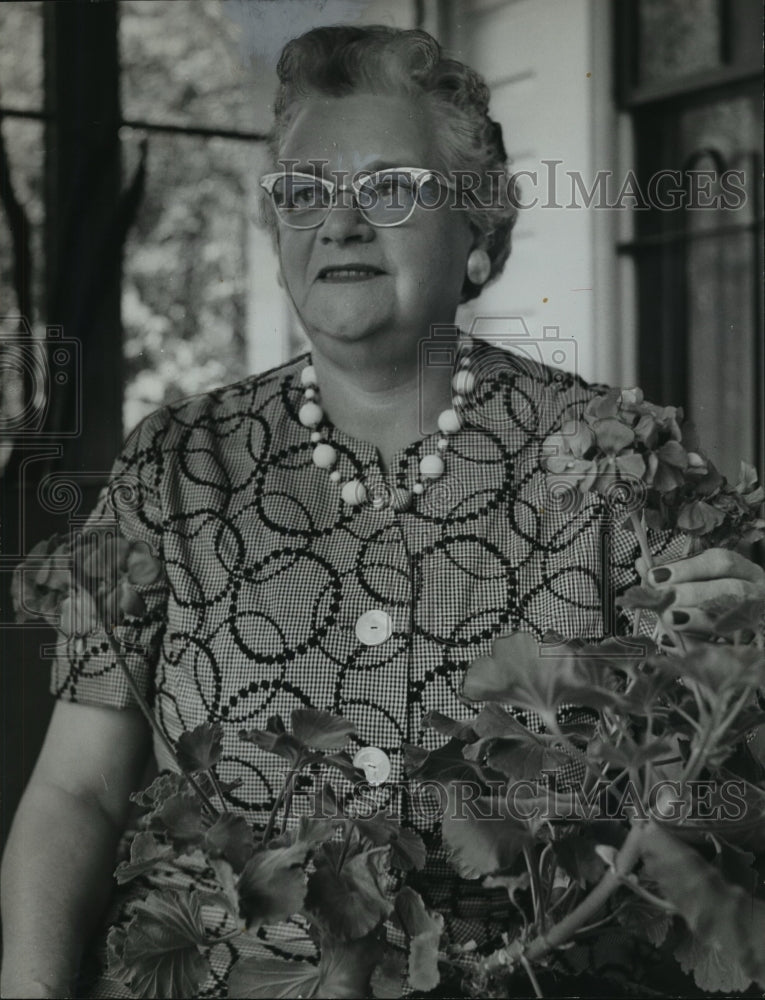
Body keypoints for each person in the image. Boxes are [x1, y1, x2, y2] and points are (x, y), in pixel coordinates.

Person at [2, 24, 763, 1000]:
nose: (342, 221)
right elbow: (76, 790)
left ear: (479, 224)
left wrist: (737, 639)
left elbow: (708, 780)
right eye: (306, 192)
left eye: (391, 187)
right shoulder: (169, 464)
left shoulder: (618, 455)